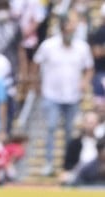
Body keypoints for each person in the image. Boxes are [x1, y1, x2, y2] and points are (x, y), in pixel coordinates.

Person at [32, 16, 94, 175]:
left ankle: (67, 164)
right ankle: (49, 163)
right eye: (68, 30)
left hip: (72, 96)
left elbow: (89, 68)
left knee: (69, 131)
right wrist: (36, 85)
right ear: (61, 30)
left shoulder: (82, 47)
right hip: (51, 94)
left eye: (73, 31)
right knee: (51, 128)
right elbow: (36, 63)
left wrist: (84, 82)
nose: (71, 34)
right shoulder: (48, 45)